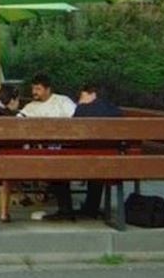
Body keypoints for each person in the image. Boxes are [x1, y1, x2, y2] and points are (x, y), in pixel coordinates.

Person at [48, 83, 123, 219]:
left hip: (83, 162)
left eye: (82, 96)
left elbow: (72, 136)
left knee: (56, 164)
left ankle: (65, 209)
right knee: (98, 162)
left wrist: (81, 105)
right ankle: (91, 208)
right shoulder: (116, 111)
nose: (79, 100)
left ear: (92, 94)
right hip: (110, 162)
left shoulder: (82, 110)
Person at [18, 73, 77, 221]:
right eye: (33, 89)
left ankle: (64, 207)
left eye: (38, 89)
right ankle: (62, 206)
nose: (34, 92)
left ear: (48, 89)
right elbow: (18, 122)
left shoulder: (62, 102)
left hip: (65, 149)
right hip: (42, 151)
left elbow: (75, 121)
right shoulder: (30, 107)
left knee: (57, 165)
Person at [0, 84, 21, 222]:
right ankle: (4, 212)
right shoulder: (15, 118)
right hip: (13, 162)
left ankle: (4, 212)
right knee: (6, 173)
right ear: (12, 100)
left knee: (4, 170)